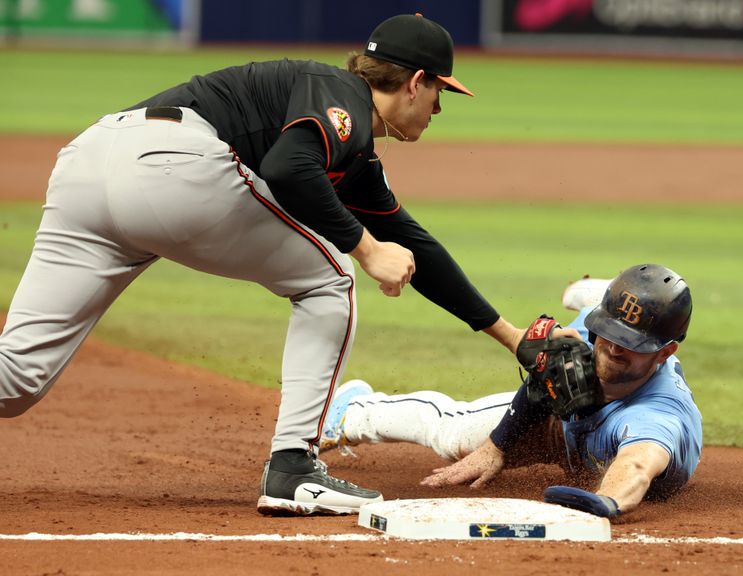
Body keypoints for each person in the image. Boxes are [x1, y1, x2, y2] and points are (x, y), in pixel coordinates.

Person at [0, 14, 528, 516]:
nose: (438, 109)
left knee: (18, 377)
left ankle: (294, 466)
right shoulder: (340, 93)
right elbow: (289, 167)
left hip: (87, 164)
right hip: (169, 163)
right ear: (415, 82)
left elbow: (415, 244)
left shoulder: (355, 153)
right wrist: (365, 250)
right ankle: (293, 468)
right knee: (330, 279)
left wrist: (511, 336)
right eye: (439, 91)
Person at [321, 264, 702, 518]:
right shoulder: (590, 329)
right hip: (562, 425)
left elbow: (637, 463)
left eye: (631, 342)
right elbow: (547, 369)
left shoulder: (656, 417)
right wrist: (496, 446)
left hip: (603, 431)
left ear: (666, 351)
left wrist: (608, 502)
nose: (615, 347)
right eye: (611, 332)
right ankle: (352, 410)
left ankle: (604, 294)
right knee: (454, 436)